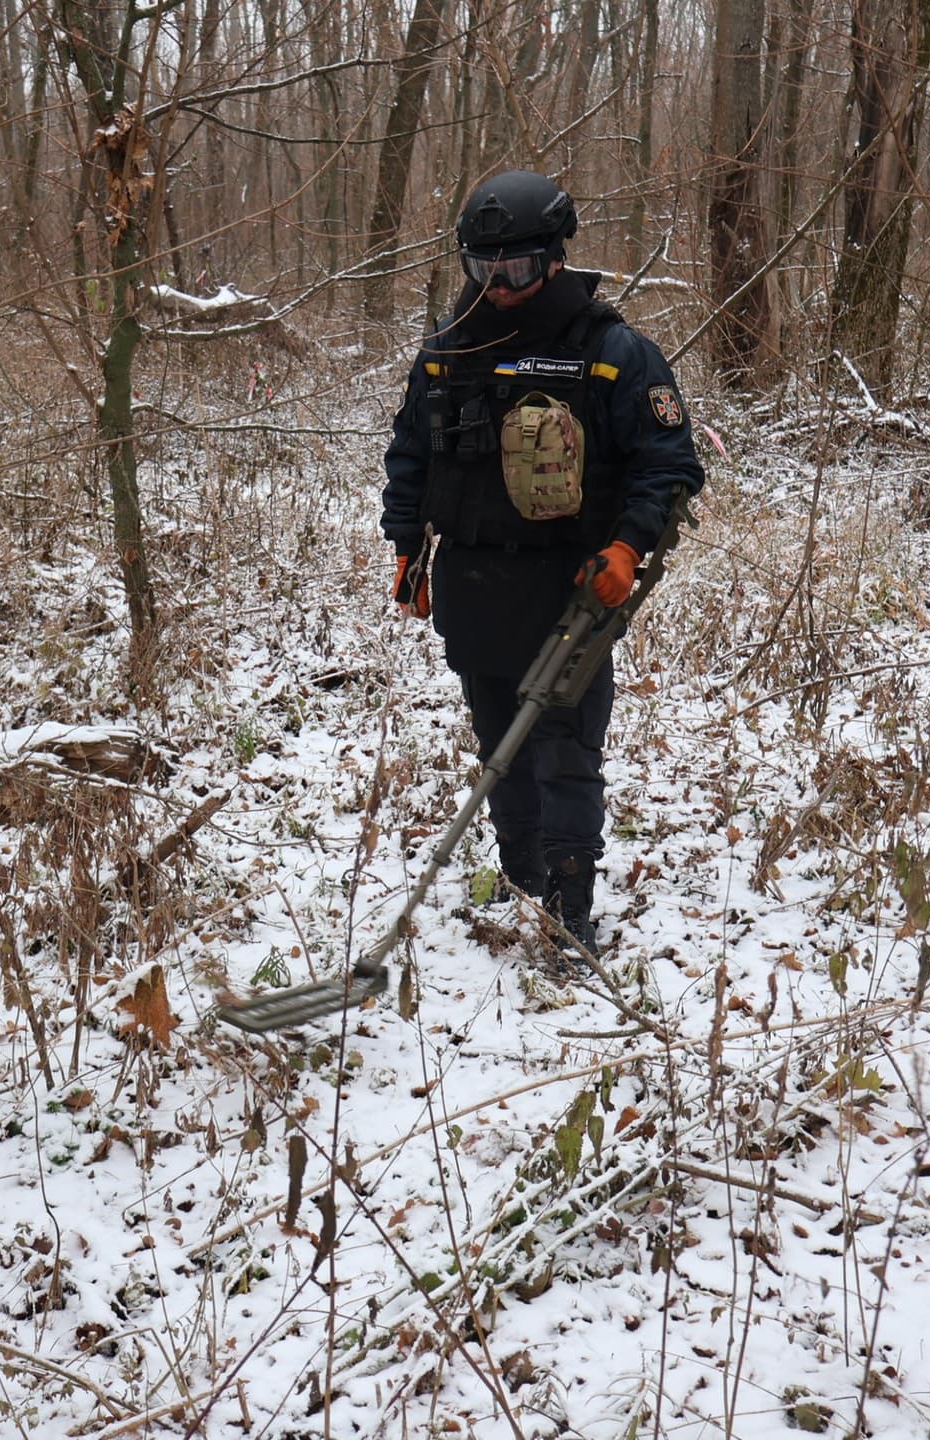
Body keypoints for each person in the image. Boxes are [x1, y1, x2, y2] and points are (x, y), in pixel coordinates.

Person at [381, 170, 705, 956]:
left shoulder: (613, 353)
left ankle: (569, 904)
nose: (498, 286)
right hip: (473, 585)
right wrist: (404, 548)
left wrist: (627, 547)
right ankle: (522, 877)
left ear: (554, 259)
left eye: (516, 269)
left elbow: (669, 465)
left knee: (564, 751)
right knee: (500, 746)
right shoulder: (448, 351)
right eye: (483, 269)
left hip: (572, 593)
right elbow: (412, 455)